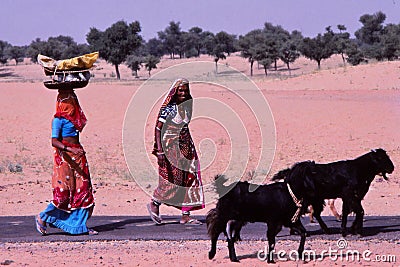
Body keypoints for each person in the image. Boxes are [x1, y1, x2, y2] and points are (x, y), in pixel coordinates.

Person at [35, 89, 97, 235]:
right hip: (64, 158)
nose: (71, 104)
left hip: (78, 157)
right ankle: (43, 217)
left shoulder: (75, 119)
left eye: (72, 100)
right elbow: (54, 141)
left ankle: (78, 226)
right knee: (64, 193)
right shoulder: (58, 120)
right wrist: (70, 149)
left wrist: (76, 151)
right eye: (67, 101)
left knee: (83, 190)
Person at [147, 78, 205, 225]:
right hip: (170, 147)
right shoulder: (169, 108)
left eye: (186, 90)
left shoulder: (187, 106)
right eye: (180, 90)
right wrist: (160, 151)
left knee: (189, 178)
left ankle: (186, 214)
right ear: (174, 92)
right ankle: (155, 202)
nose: (183, 93)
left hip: (186, 146)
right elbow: (158, 128)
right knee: (173, 179)